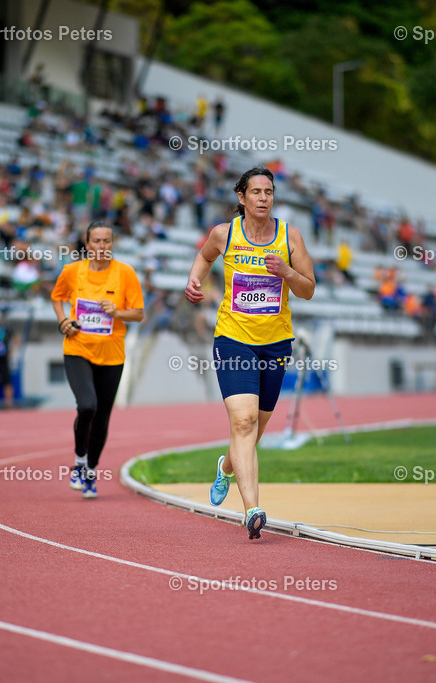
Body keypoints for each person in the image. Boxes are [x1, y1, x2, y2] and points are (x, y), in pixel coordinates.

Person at [185, 166, 316, 540]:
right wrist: (194, 281)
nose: (263, 198)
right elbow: (204, 257)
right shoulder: (224, 233)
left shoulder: (289, 237)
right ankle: (252, 510)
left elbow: (308, 289)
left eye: (269, 192)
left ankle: (226, 467)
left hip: (275, 343)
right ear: (241, 198)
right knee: (242, 423)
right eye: (256, 191)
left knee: (254, 429)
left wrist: (286, 272)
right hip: (233, 339)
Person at [52, 220, 144, 499]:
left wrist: (117, 312)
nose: (102, 247)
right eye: (97, 242)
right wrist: (63, 321)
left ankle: (91, 471)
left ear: (112, 244)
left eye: (107, 242)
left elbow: (138, 313)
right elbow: (57, 297)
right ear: (87, 243)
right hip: (77, 349)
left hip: (112, 354)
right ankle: (79, 461)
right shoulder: (72, 271)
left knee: (102, 417)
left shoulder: (125, 273)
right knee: (87, 406)